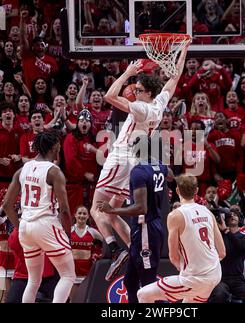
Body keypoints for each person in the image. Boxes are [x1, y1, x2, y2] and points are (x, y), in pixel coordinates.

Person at [90, 41, 190, 281]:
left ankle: (114, 251)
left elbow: (109, 96)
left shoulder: (141, 108)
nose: (135, 90)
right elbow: (174, 79)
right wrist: (184, 50)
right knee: (113, 213)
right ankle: (132, 253)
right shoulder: (158, 103)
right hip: (133, 161)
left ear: (147, 93)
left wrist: (127, 73)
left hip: (121, 158)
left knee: (96, 208)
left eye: (139, 88)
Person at [2, 129, 76, 303]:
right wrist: (68, 234)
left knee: (34, 280)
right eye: (58, 144)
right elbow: (64, 209)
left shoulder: (23, 169)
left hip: (26, 225)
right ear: (54, 146)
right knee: (68, 275)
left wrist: (20, 227)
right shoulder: (54, 171)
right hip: (45, 223)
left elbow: (6, 205)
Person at [98, 136, 173, 302]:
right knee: (130, 282)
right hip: (150, 227)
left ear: (136, 150)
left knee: (147, 284)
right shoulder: (158, 165)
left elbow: (141, 208)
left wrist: (113, 210)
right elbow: (171, 175)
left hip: (146, 229)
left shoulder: (138, 172)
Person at [137, 174, 226, 303]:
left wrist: (190, 271)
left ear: (177, 190)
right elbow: (222, 252)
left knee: (143, 295)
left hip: (195, 279)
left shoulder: (175, 216)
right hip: (215, 274)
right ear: (196, 191)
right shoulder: (207, 212)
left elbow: (173, 257)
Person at [208, 210, 245, 303]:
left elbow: (240, 246)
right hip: (221, 278)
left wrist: (227, 231)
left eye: (235, 215)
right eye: (230, 216)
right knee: (219, 295)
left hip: (238, 278)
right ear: (225, 220)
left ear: (239, 219)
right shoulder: (220, 237)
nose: (233, 216)